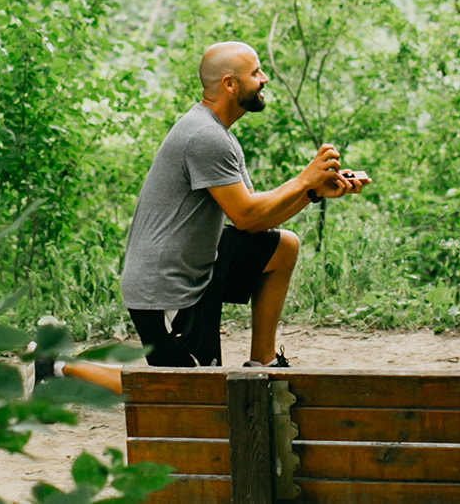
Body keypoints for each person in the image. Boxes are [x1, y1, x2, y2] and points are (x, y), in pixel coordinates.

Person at [117, 40, 365, 368]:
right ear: (230, 84)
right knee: (193, 397)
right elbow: (246, 216)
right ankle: (61, 369)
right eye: (256, 72)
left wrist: (313, 192)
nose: (264, 79)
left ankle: (262, 361)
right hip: (165, 286)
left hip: (195, 264)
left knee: (281, 246)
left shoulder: (220, 135)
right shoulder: (204, 136)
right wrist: (304, 179)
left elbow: (256, 219)